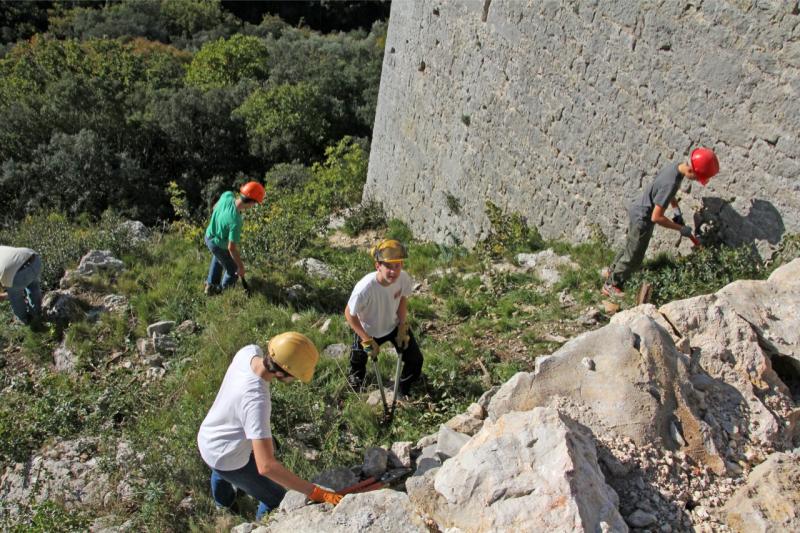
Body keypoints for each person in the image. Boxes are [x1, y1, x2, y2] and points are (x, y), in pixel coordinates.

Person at [197, 332, 342, 520]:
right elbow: (266, 466)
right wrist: (313, 491)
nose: (296, 379)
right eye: (296, 376)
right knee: (276, 498)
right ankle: (259, 526)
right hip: (226, 455)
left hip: (209, 435)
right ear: (281, 373)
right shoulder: (256, 401)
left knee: (220, 468)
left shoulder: (248, 352)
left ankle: (222, 505)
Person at [603, 147, 720, 296]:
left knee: (630, 246)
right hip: (643, 218)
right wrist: (680, 228)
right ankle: (612, 284)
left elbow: (666, 194)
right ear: (691, 171)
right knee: (635, 256)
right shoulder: (671, 183)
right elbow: (656, 217)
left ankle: (612, 271)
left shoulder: (674, 168)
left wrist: (676, 210)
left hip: (638, 208)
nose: (696, 180)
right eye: (697, 178)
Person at [344, 239, 424, 397]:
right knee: (357, 362)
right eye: (388, 266)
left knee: (415, 359)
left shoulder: (403, 279)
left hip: (393, 326)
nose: (393, 271)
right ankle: (355, 389)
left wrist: (402, 326)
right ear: (378, 266)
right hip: (368, 330)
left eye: (397, 265)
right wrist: (366, 339)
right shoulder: (365, 288)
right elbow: (349, 314)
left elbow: (402, 299)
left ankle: (402, 390)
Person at [204, 181, 265, 295]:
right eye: (255, 203)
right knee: (233, 270)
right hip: (217, 244)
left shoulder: (227, 195)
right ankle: (222, 293)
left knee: (218, 257)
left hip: (208, 236)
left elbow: (215, 206)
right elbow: (231, 248)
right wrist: (240, 267)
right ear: (251, 202)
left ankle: (210, 285)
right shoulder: (236, 221)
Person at [0, 245, 43, 327]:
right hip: (34, 260)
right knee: (33, 286)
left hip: (17, 275)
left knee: (15, 298)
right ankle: (37, 313)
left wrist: (10, 294)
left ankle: (25, 320)